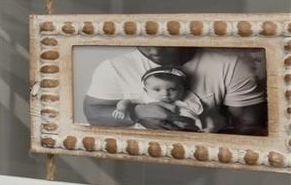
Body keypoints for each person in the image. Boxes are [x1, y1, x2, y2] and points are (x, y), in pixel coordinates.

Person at [82, 45, 268, 135]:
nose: (154, 50)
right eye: (143, 42)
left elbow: (250, 127)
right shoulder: (113, 67)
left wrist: (210, 130)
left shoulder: (231, 65)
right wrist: (136, 112)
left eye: (164, 42)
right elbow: (94, 115)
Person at [133, 67, 205, 131]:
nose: (165, 94)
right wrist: (122, 108)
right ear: (146, 90)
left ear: (183, 89)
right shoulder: (146, 99)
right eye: (157, 89)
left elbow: (202, 114)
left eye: (172, 89)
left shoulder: (186, 101)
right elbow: (128, 102)